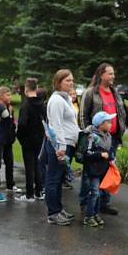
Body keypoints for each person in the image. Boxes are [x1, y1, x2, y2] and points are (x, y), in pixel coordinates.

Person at [80, 63, 128, 215]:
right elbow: (83, 115)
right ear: (101, 75)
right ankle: (85, 202)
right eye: (110, 73)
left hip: (112, 139)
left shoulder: (115, 92)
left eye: (113, 74)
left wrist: (121, 128)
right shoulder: (90, 92)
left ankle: (104, 203)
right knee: (90, 171)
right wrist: (88, 135)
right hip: (95, 139)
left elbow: (121, 113)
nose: (113, 76)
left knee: (107, 170)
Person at [44, 69, 79, 225]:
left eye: (72, 80)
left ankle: (58, 209)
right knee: (53, 179)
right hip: (58, 146)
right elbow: (56, 125)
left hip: (68, 144)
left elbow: (70, 122)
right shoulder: (57, 100)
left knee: (59, 180)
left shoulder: (67, 99)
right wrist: (61, 146)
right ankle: (53, 213)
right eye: (67, 80)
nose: (71, 83)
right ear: (58, 83)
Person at [81, 112, 116, 227]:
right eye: (108, 122)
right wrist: (101, 155)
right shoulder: (92, 136)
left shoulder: (108, 136)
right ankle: (88, 216)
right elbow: (87, 153)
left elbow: (110, 151)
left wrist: (111, 158)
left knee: (99, 193)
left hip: (103, 169)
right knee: (94, 193)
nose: (111, 124)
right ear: (101, 124)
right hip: (93, 170)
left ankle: (95, 214)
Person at [16, 78, 47, 201]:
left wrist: (20, 136)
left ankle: (29, 194)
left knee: (29, 166)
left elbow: (22, 124)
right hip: (40, 138)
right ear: (36, 87)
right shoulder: (42, 104)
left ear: (26, 89)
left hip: (28, 139)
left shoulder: (26, 105)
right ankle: (38, 191)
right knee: (37, 164)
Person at [0, 86, 21, 194]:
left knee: (9, 163)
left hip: (8, 140)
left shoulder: (10, 108)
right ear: (1, 96)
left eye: (10, 94)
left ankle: (10, 184)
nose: (10, 97)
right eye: (7, 95)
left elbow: (11, 123)